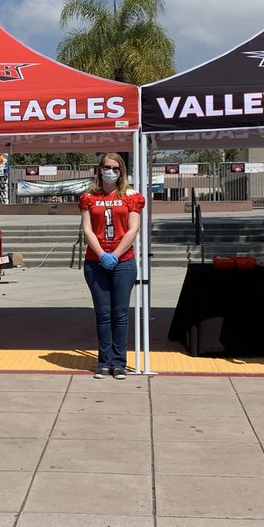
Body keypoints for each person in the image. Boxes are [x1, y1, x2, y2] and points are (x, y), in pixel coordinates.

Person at [79, 153, 145, 380]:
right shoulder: (88, 197)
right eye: (107, 167)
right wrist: (101, 254)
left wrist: (115, 255)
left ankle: (119, 363)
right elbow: (87, 229)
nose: (111, 171)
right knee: (103, 313)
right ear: (99, 169)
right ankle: (103, 363)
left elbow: (133, 228)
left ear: (122, 171)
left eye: (116, 168)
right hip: (96, 262)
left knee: (120, 313)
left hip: (123, 261)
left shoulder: (131, 196)